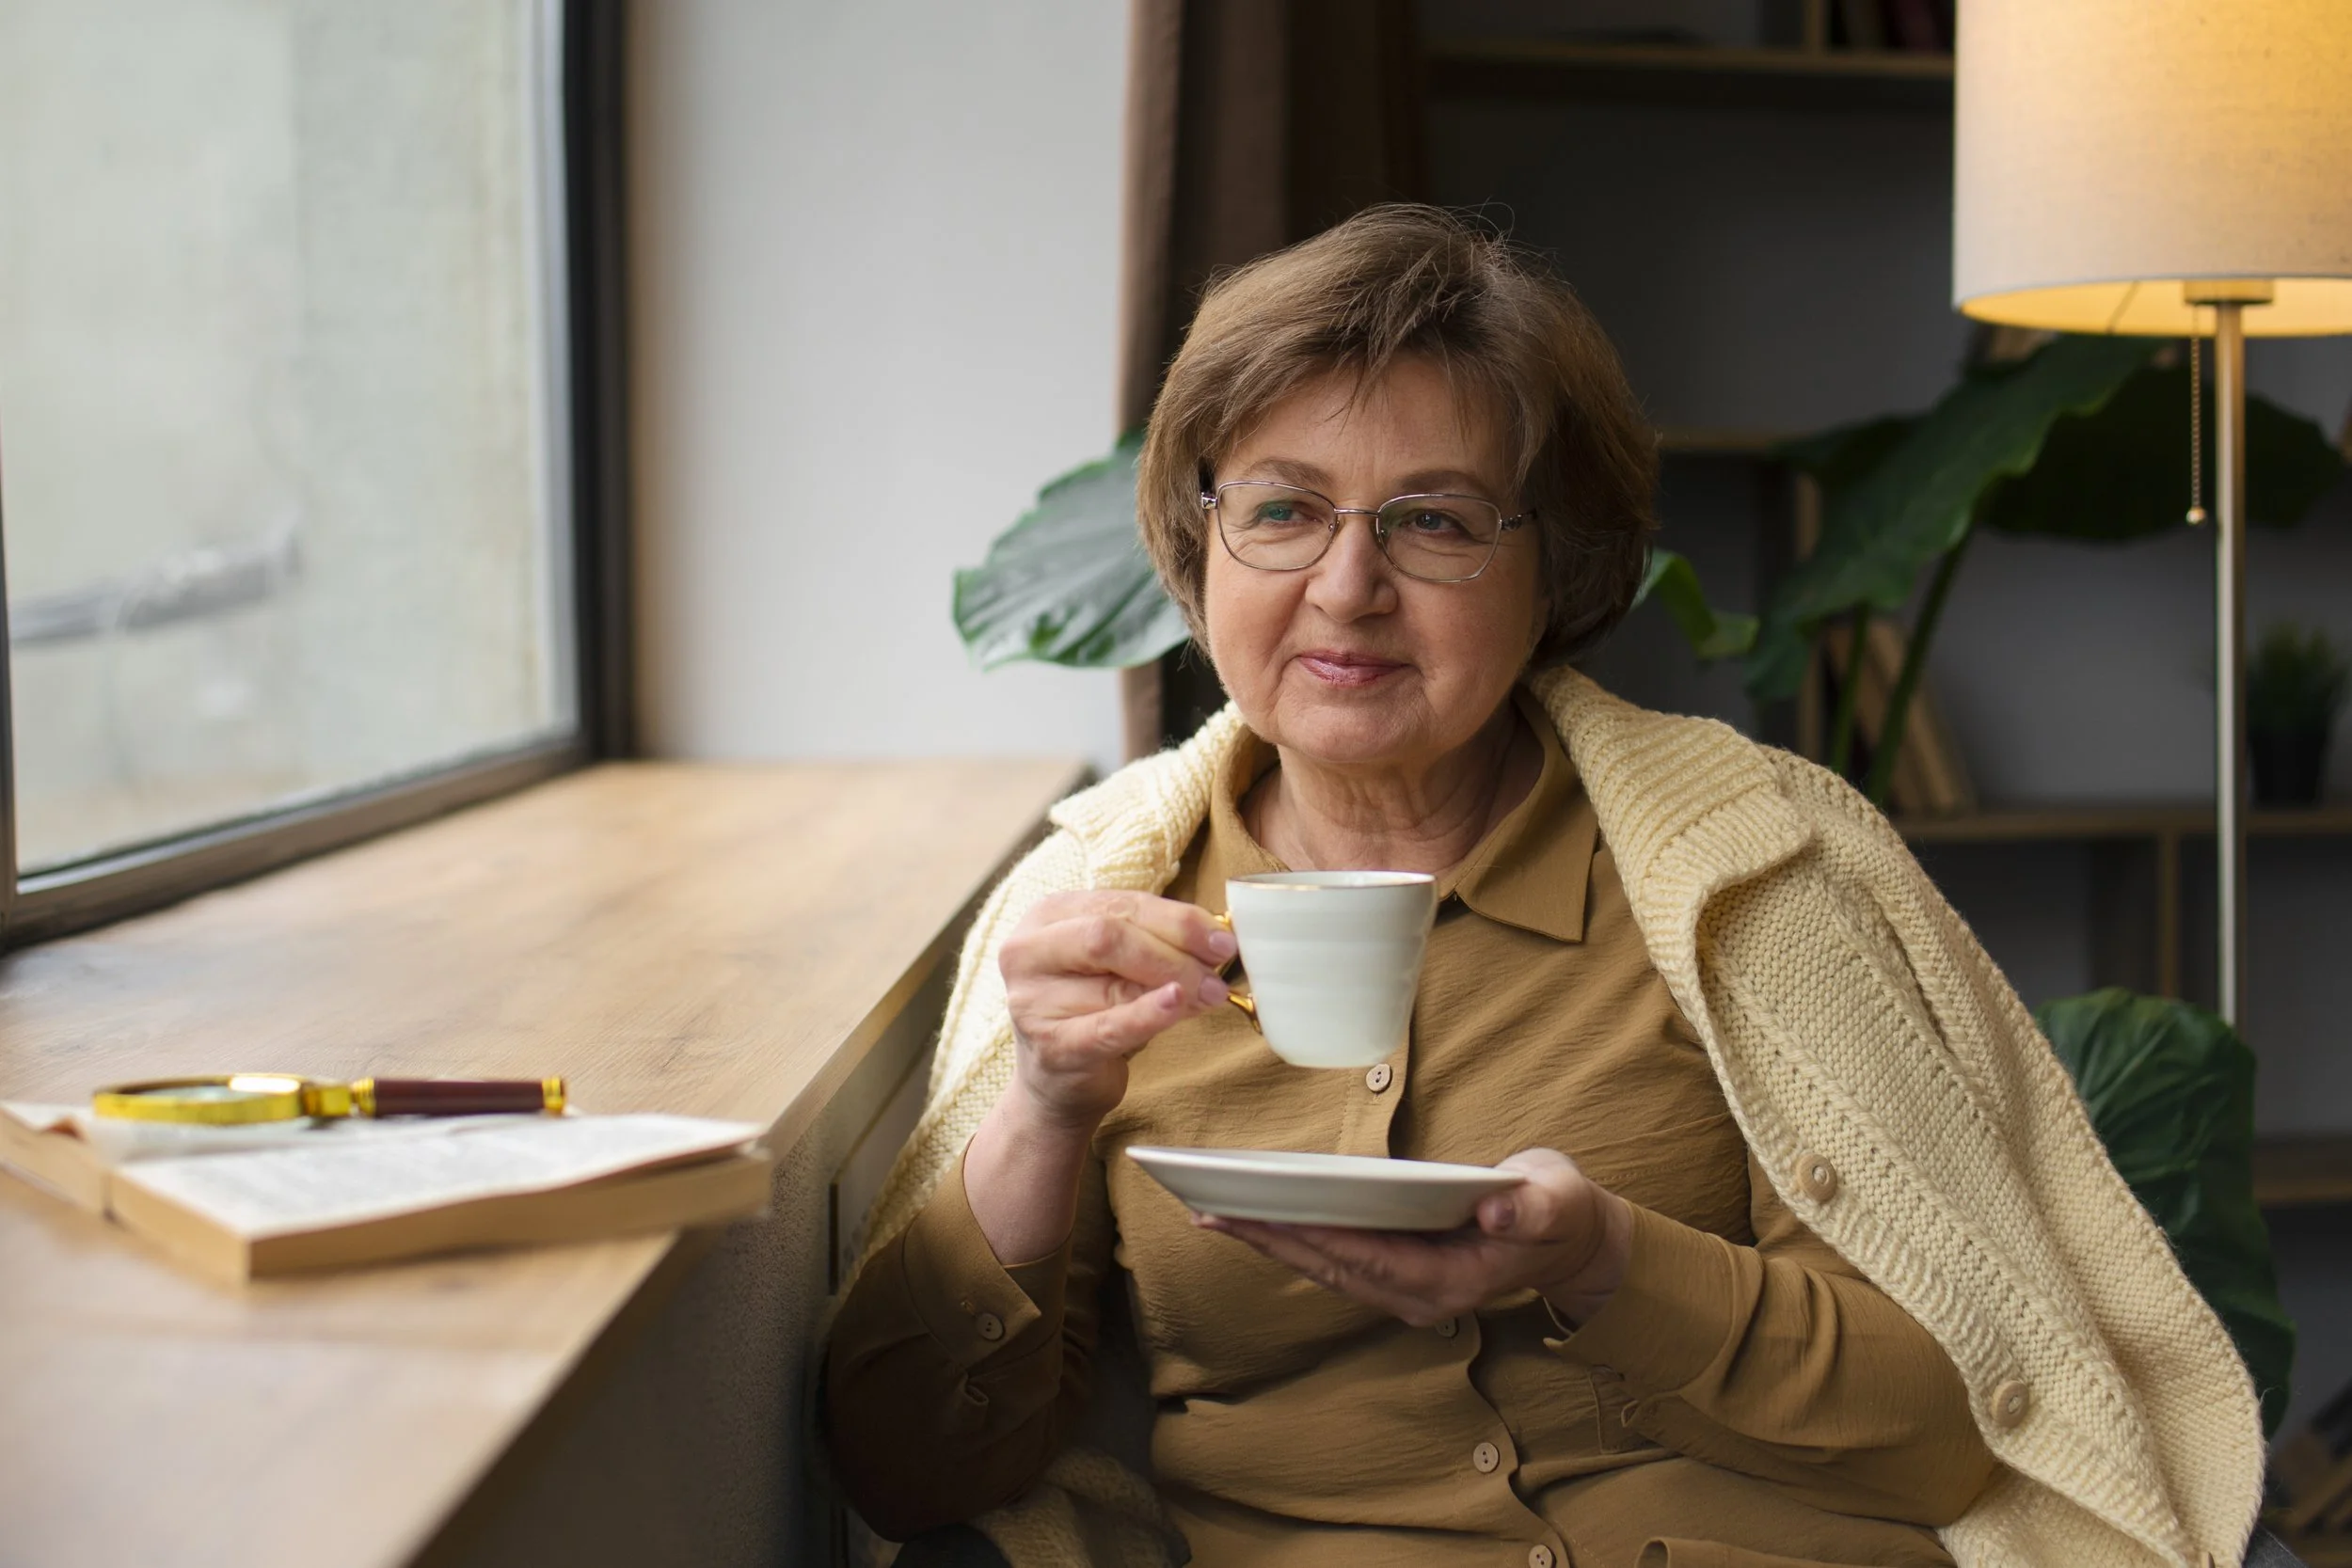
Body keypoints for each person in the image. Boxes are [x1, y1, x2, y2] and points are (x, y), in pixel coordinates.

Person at [824, 206, 2263, 1568]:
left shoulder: (1752, 873)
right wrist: (1045, 1113)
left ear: (1554, 566)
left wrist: (1611, 1267)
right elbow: (906, 1472)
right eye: (1282, 508)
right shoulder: (1097, 917)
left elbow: (1948, 1435)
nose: (1346, 587)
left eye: (1435, 522)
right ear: (1201, 545)